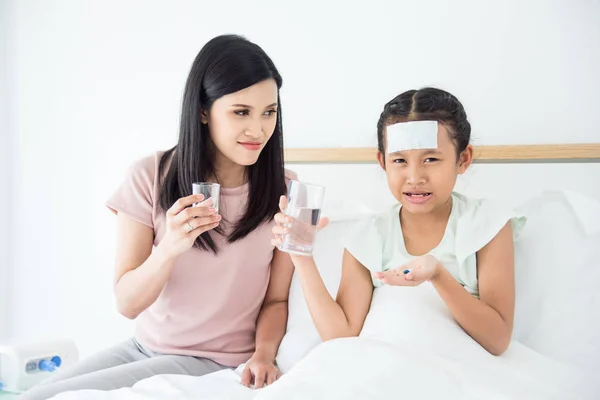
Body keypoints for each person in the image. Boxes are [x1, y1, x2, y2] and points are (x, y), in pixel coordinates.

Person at [23, 34, 296, 400]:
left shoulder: (286, 191)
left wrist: (263, 355)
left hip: (212, 362)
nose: (258, 129)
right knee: (36, 394)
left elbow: (276, 301)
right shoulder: (149, 175)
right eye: (241, 112)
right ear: (203, 110)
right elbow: (127, 302)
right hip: (143, 346)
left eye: (269, 112)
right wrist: (169, 247)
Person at [272, 87, 526, 356]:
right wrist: (301, 256)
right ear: (383, 162)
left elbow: (497, 340)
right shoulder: (369, 236)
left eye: (431, 159)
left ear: (463, 159)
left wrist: (438, 276)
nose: (414, 177)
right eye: (400, 160)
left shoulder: (486, 225)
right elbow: (341, 335)